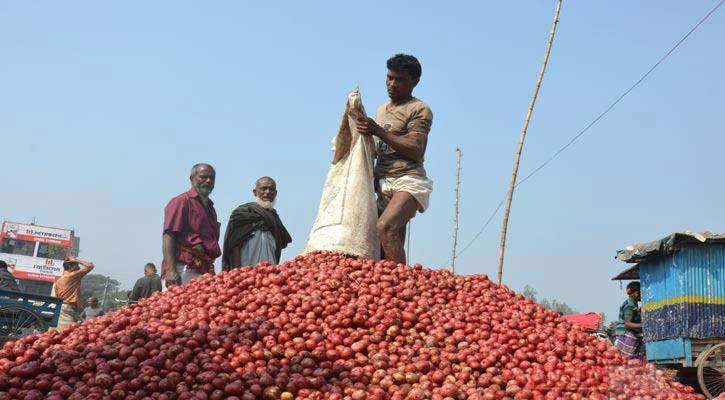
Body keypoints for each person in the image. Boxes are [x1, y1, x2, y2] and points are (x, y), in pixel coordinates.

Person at [355, 53, 434, 264]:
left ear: (415, 82)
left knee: (385, 227)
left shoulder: (418, 109)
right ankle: (388, 290)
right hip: (383, 182)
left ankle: (399, 285)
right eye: (389, 78)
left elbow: (417, 148)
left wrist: (378, 131)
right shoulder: (382, 110)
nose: (392, 84)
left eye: (400, 80)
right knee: (382, 243)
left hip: (409, 180)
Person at [162, 163, 221, 287]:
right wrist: (171, 270)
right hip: (183, 267)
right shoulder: (181, 202)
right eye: (203, 177)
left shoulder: (210, 208)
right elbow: (168, 236)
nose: (208, 181)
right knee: (176, 305)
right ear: (192, 179)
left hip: (204, 269)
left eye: (212, 178)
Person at [222, 177, 292, 270]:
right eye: (264, 188)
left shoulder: (274, 219)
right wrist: (237, 271)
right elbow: (234, 245)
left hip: (269, 270)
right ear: (255, 192)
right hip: (246, 271)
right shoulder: (244, 213)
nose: (267, 192)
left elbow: (281, 243)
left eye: (271, 189)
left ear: (275, 193)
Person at [53, 256, 94, 330]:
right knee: (68, 331)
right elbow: (90, 266)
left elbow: (57, 296)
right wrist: (77, 260)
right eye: (76, 265)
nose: (78, 267)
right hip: (68, 308)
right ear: (70, 266)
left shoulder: (59, 281)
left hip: (63, 308)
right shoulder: (73, 275)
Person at [615, 281, 645, 361]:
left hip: (627, 335)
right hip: (627, 336)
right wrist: (642, 325)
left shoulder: (633, 304)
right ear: (636, 293)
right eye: (640, 292)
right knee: (627, 361)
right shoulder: (629, 306)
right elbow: (627, 324)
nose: (641, 295)